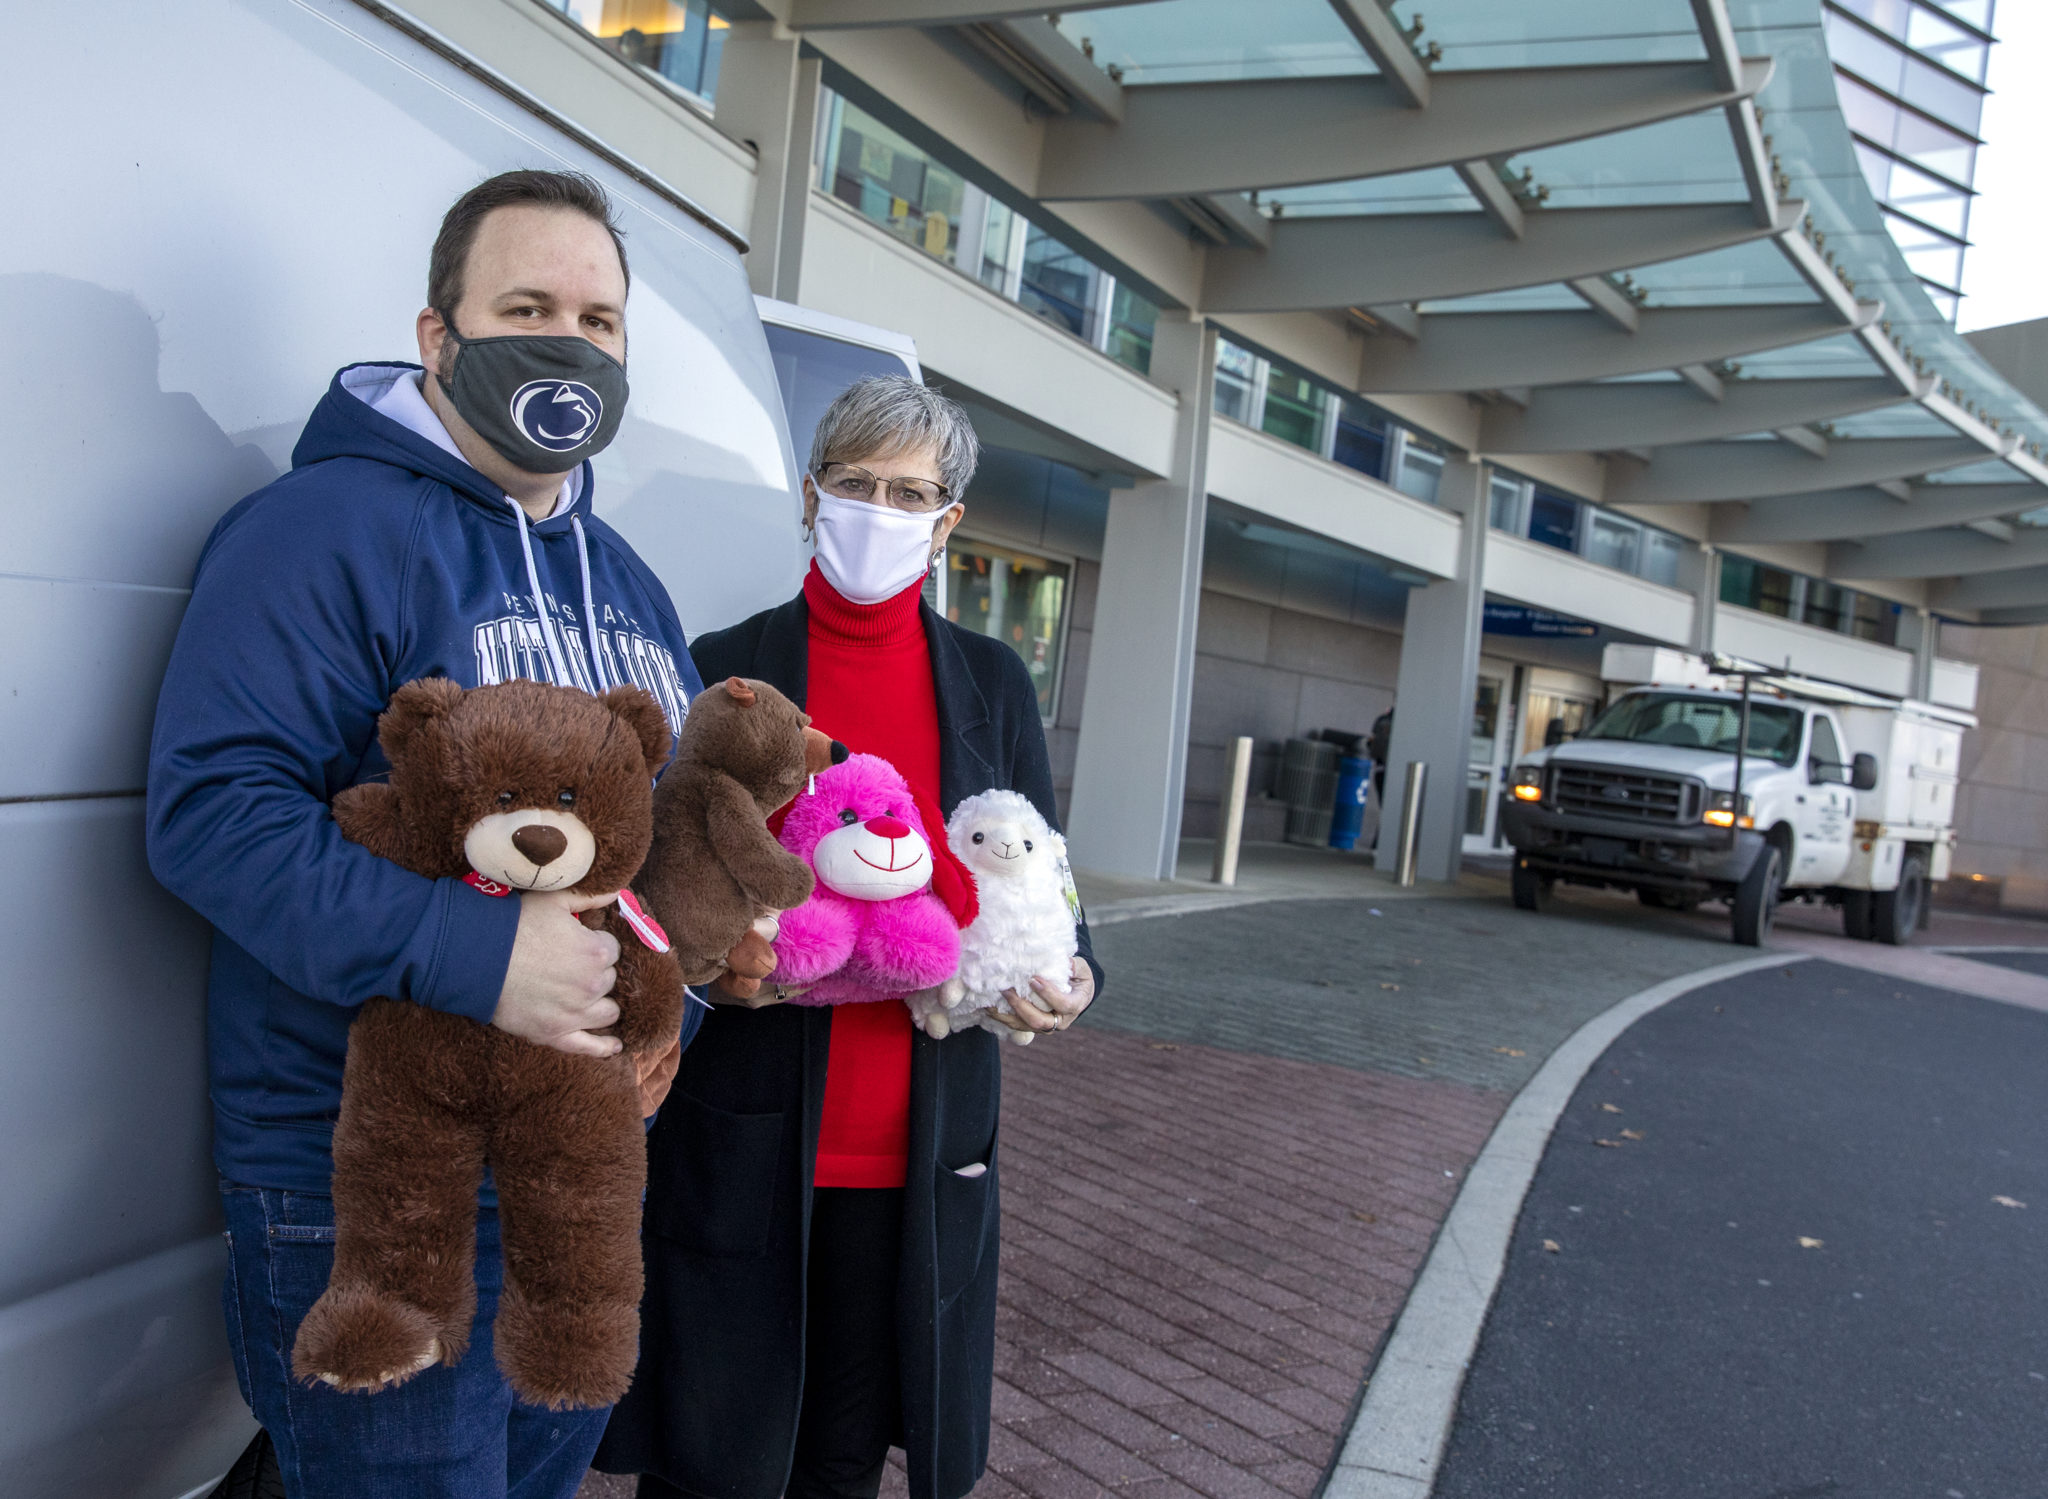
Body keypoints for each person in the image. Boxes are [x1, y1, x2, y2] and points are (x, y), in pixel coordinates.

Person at [146, 169, 703, 1499]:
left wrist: (679, 994)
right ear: (439, 335)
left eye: (600, 317)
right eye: (527, 304)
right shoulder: (320, 532)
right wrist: (480, 951)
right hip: (378, 1198)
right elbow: (213, 809)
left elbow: (654, 848)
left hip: (572, 1189)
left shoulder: (628, 583)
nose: (569, 340)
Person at [595, 376, 1103, 1499]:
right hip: (746, 1131)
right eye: (858, 483)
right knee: (710, 1451)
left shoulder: (989, 679)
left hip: (916, 1151)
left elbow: (1042, 870)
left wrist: (1075, 973)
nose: (880, 508)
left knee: (841, 1459)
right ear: (813, 494)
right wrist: (716, 960)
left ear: (948, 519)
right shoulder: (727, 661)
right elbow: (663, 884)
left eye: (909, 491)